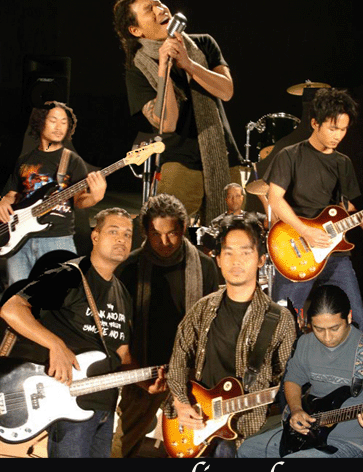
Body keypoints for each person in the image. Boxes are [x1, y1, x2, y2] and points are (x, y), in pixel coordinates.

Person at [0, 207, 165, 458]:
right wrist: (56, 345)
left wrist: (146, 380)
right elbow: (12, 309)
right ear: (95, 236)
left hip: (104, 409)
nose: (121, 239)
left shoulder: (121, 292)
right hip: (67, 407)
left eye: (127, 234)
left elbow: (122, 355)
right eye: (113, 231)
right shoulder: (70, 275)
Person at [165, 212, 297, 457]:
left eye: (246, 253)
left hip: (248, 435)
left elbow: (289, 380)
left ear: (261, 260)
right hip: (198, 427)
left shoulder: (280, 319)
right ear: (218, 259)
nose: (236, 261)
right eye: (228, 253)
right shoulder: (202, 309)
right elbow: (179, 360)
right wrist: (181, 403)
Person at [113, 0, 243, 225]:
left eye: (159, 3)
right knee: (167, 230)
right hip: (180, 162)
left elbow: (226, 91)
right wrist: (164, 66)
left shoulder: (204, 43)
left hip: (224, 157)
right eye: (149, 9)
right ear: (136, 30)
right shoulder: (137, 70)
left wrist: (189, 64)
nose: (160, 9)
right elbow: (167, 122)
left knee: (229, 231)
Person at [237, 284, 363, 458]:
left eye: (334, 328)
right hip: (307, 434)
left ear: (349, 317)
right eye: (319, 329)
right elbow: (292, 380)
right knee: (246, 450)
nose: (327, 338)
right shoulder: (305, 343)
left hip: (352, 443)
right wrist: (296, 409)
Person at [266, 88, 363, 333]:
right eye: (332, 128)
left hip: (335, 253)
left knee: (356, 317)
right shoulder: (290, 156)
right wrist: (305, 231)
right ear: (315, 123)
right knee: (284, 320)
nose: (338, 135)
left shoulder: (343, 163)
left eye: (343, 130)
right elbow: (274, 198)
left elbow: (346, 208)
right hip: (297, 248)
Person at [115, 193, 219, 457]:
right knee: (122, 445)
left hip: (191, 374)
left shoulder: (205, 266)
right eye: (156, 234)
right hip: (145, 371)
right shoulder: (129, 267)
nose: (164, 242)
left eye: (171, 233)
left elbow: (211, 324)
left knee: (198, 446)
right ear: (145, 232)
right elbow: (119, 330)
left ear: (183, 228)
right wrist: (137, 376)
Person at [0, 101, 107, 286]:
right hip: (19, 242)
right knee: (16, 296)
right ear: (41, 122)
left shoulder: (72, 160)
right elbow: (13, 194)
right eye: (53, 120)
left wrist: (95, 197)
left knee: (56, 298)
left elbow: (79, 200)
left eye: (64, 122)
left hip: (57, 240)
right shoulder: (24, 160)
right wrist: (3, 200)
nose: (59, 127)